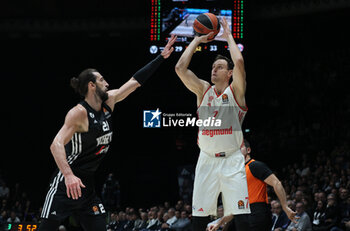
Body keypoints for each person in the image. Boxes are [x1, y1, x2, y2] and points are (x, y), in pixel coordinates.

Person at [38, 35, 177, 231]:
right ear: (91, 85)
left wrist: (161, 57)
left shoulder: (109, 101)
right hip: (66, 182)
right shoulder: (79, 113)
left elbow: (135, 82)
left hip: (87, 183)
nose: (107, 83)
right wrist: (68, 175)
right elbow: (56, 144)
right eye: (102, 80)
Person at [175, 17, 250, 231]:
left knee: (241, 217)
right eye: (213, 67)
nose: (214, 70)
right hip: (206, 159)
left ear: (229, 74)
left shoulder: (235, 92)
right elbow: (180, 68)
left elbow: (240, 63)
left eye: (219, 67)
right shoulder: (203, 90)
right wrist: (197, 39)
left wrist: (228, 36)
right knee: (199, 219)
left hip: (232, 160)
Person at [208, 139, 297, 231]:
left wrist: (285, 207)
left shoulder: (255, 165)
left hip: (258, 212)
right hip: (242, 214)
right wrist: (218, 223)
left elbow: (277, 183)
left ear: (248, 150)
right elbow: (234, 208)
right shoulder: (235, 174)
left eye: (240, 148)